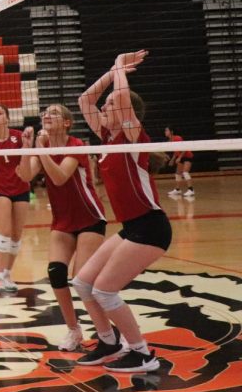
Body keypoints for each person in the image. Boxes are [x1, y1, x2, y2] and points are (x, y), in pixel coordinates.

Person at [72, 50, 170, 373]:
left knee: (104, 289)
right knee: (83, 283)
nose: (104, 107)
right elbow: (85, 100)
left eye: (110, 105)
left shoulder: (132, 137)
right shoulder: (106, 136)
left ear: (127, 113)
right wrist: (111, 72)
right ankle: (109, 342)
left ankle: (143, 354)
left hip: (151, 227)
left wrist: (118, 69)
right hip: (131, 227)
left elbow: (124, 98)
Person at [16, 104, 107, 351]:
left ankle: (106, 334)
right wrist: (27, 149)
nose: (46, 115)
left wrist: (41, 149)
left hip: (89, 217)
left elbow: (58, 177)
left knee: (82, 280)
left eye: (54, 113)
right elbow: (25, 176)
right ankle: (73, 330)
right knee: (56, 272)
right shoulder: (42, 149)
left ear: (67, 123)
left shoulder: (76, 146)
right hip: (63, 220)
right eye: (44, 113)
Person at [0, 103, 30, 296]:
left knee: (17, 235)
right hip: (0, 188)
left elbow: (27, 159)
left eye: (0, 113)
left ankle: (8, 274)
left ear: (7, 118)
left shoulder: (18, 136)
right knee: (5, 231)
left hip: (21, 187)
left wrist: (28, 141)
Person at [164, 126, 193, 200]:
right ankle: (177, 190)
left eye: (167, 130)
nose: (165, 132)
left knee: (185, 172)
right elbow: (175, 152)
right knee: (178, 173)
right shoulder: (170, 141)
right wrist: (173, 159)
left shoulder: (177, 138)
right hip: (180, 157)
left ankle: (191, 190)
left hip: (187, 156)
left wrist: (179, 157)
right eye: (165, 131)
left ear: (171, 132)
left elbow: (184, 148)